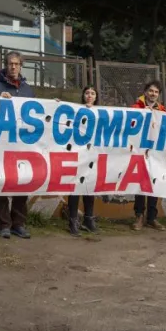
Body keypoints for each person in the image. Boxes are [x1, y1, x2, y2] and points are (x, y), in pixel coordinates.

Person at [0, 51, 36, 239]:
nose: (13, 67)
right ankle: (4, 224)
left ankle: (19, 223)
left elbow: (37, 113)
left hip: (22, 143)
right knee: (3, 183)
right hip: (1, 143)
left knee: (22, 182)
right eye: (10, 64)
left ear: (21, 66)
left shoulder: (28, 90)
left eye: (16, 64)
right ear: (6, 65)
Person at [132, 80, 166, 231]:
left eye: (156, 92)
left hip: (155, 152)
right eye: (151, 91)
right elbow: (130, 124)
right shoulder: (135, 108)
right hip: (140, 151)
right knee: (141, 183)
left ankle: (152, 218)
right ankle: (139, 216)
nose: (153, 94)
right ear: (145, 92)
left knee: (154, 183)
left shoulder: (163, 110)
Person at [68, 85, 100, 237]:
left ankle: (88, 218)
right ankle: (73, 219)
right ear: (83, 96)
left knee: (89, 186)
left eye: (93, 93)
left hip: (93, 155)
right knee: (75, 186)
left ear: (96, 97)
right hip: (78, 154)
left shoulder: (102, 113)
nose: (89, 96)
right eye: (87, 93)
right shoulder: (75, 111)